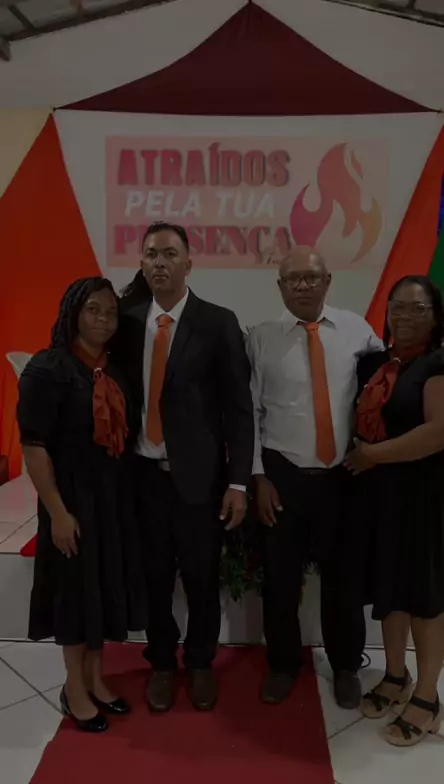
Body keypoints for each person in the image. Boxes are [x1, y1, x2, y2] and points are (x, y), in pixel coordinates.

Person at [247, 248, 444, 710]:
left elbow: (399, 369)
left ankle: (346, 666)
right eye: (293, 279)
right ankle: (284, 665)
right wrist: (258, 476)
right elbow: (248, 412)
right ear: (280, 286)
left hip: (344, 476)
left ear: (328, 281)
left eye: (312, 277)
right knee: (281, 580)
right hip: (283, 476)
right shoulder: (261, 338)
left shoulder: (357, 332)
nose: (303, 285)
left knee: (343, 579)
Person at [113, 222, 253, 713]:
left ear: (189, 263)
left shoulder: (217, 322)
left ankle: (199, 662)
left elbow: (238, 409)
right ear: (141, 262)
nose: (159, 262)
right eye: (151, 253)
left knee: (200, 578)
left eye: (170, 253)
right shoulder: (127, 324)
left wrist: (239, 481)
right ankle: (161, 663)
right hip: (143, 478)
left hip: (199, 481)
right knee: (153, 577)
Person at [345, 275, 444, 746]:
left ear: (436, 314)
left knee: (425, 596)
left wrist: (372, 456)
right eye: (397, 307)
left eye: (418, 308)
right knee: (392, 588)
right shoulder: (381, 362)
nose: (405, 316)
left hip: (428, 494)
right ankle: (396, 674)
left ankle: (427, 696)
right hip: (386, 494)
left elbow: (442, 431)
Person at [17, 277, 146, 733]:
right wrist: (57, 512)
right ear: (73, 312)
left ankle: (96, 678)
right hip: (70, 500)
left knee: (102, 589)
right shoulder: (48, 368)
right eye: (93, 310)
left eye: (111, 312)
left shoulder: (117, 371)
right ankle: (73, 687)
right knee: (74, 594)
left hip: (112, 500)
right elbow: (34, 448)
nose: (103, 320)